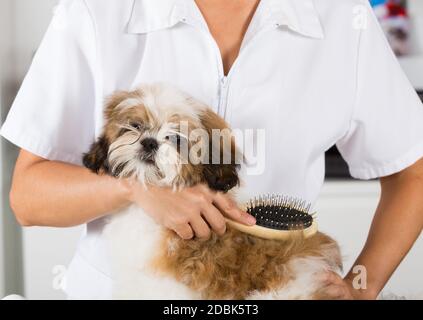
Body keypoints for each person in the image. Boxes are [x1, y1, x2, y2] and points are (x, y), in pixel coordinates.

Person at [2, 0, 423, 299]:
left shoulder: (340, 17)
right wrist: (136, 190)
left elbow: (413, 173)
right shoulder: (96, 11)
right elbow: (28, 197)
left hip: (273, 285)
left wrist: (362, 288)